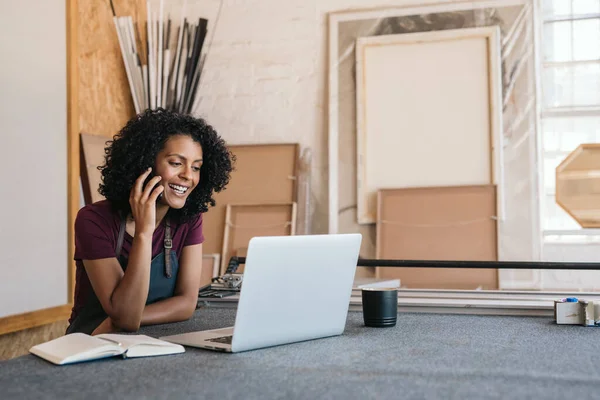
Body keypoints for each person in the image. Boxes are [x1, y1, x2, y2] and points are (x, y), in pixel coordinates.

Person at [67, 108, 234, 335]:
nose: (189, 175)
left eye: (196, 167)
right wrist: (144, 232)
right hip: (92, 344)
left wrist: (128, 318)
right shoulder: (94, 220)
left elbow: (186, 303)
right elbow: (125, 315)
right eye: (176, 163)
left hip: (150, 337)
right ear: (145, 163)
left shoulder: (189, 219)